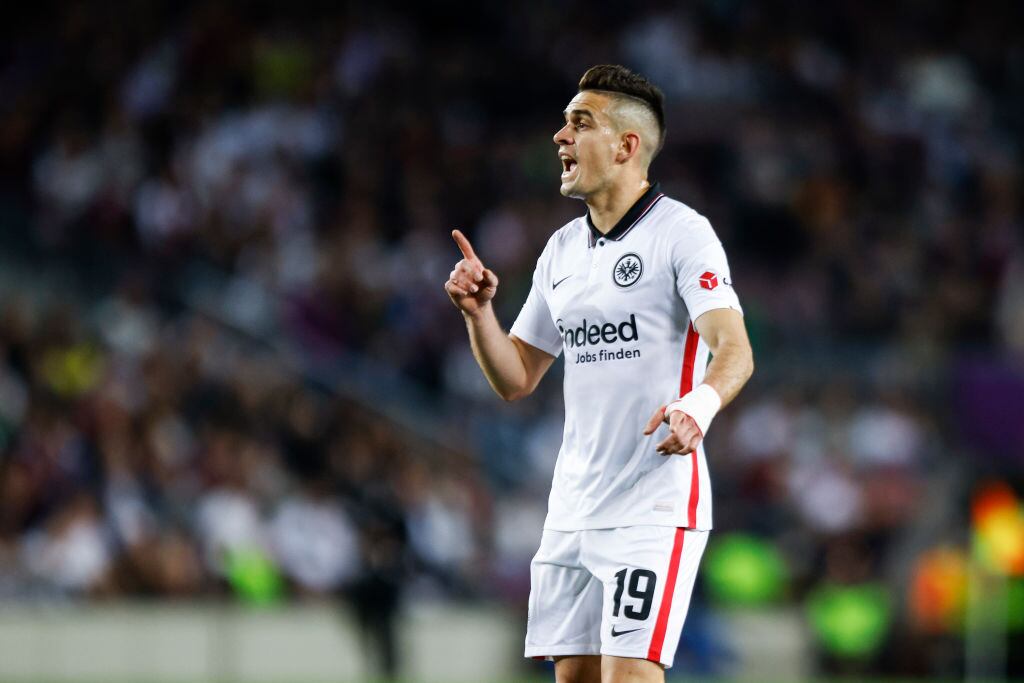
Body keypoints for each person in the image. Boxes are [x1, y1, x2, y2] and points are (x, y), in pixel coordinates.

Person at [444, 64, 754, 683]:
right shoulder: (560, 250)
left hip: (653, 502)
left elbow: (734, 351)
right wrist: (480, 315)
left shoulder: (683, 234)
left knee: (628, 679)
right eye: (562, 123)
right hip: (572, 506)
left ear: (626, 145)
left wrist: (697, 406)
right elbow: (516, 377)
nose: (559, 137)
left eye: (579, 123)